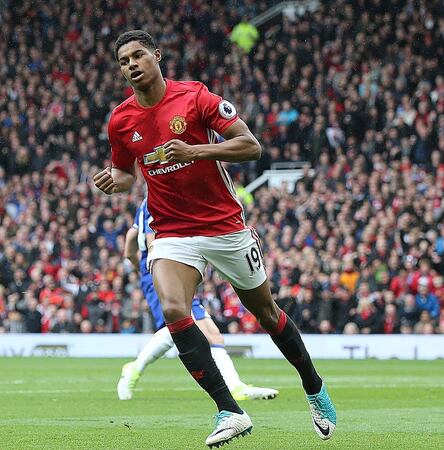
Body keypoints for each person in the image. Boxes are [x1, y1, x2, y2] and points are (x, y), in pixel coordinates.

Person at [93, 30, 335, 447]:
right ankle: (230, 411)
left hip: (225, 227)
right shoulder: (121, 120)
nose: (131, 65)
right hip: (171, 231)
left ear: (157, 55)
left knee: (267, 313)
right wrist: (113, 182)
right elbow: (126, 173)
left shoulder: (197, 98)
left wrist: (195, 151)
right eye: (123, 61)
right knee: (173, 309)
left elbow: (250, 146)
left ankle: (313, 386)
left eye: (137, 56)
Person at [117, 197, 279, 402]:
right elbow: (152, 241)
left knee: (212, 336)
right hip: (165, 271)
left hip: (170, 271)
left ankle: (235, 387)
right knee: (179, 326)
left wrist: (138, 267)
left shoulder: (148, 201)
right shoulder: (159, 198)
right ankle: (134, 369)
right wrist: (154, 271)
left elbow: (131, 240)